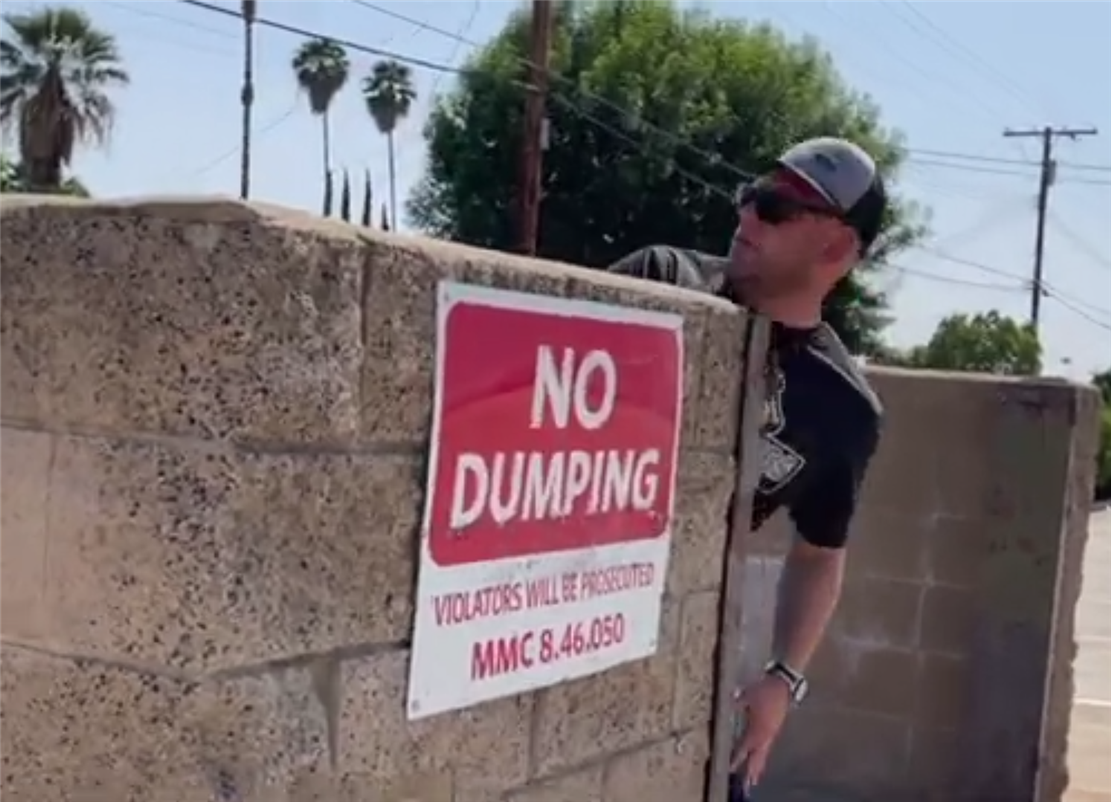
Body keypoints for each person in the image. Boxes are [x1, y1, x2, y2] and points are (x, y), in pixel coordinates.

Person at [607, 137, 886, 797]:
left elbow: (820, 554)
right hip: (552, 623)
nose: (747, 215)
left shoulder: (842, 407)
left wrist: (782, 679)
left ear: (837, 249)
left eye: (775, 207)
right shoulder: (658, 281)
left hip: (679, 671)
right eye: (750, 195)